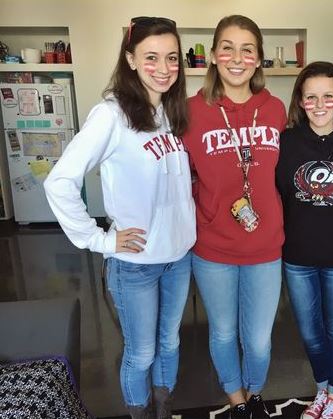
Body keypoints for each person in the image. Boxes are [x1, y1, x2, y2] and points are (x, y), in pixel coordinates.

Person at [44, 16, 195, 419]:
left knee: (169, 344)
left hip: (179, 257)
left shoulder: (171, 111)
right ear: (130, 59)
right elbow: (59, 181)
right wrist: (100, 239)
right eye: (151, 57)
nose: (163, 68)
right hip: (135, 263)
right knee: (142, 352)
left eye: (172, 58)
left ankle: (163, 409)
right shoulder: (111, 115)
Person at [182, 15, 286, 419]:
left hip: (265, 246)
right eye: (227, 48)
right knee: (224, 332)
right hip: (212, 248)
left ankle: (255, 392)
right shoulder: (190, 111)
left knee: (258, 339)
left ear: (258, 59)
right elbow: (176, 174)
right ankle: (237, 401)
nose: (237, 58)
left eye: (247, 50)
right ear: (213, 55)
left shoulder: (275, 109)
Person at [275, 61, 333, 419]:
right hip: (298, 256)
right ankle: (322, 391)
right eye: (311, 97)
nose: (319, 104)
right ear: (300, 100)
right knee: (309, 332)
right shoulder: (287, 141)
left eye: (328, 96)